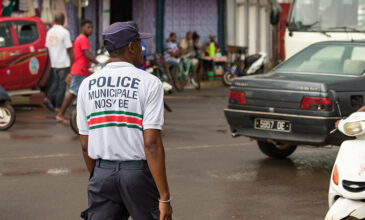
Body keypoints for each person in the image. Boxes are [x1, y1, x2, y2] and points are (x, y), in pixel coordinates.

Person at [76, 22, 172, 220]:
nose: (141, 50)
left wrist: (99, 176)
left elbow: (85, 145)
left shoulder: (87, 85)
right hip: (137, 175)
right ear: (131, 47)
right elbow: (151, 143)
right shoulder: (149, 82)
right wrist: (164, 197)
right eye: (139, 43)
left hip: (102, 172)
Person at [56, 19, 98, 122]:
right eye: (88, 27)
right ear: (82, 28)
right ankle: (60, 114)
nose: (90, 30)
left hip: (81, 69)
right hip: (80, 70)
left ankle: (80, 116)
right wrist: (98, 62)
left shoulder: (80, 38)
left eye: (91, 28)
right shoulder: (82, 38)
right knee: (72, 93)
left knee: (80, 93)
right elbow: (87, 54)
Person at [43, 12, 74, 112]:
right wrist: (72, 62)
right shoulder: (64, 32)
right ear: (63, 20)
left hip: (54, 63)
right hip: (64, 63)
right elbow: (69, 49)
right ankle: (58, 107)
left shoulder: (49, 32)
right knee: (62, 85)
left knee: (56, 82)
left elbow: (47, 48)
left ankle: (48, 98)